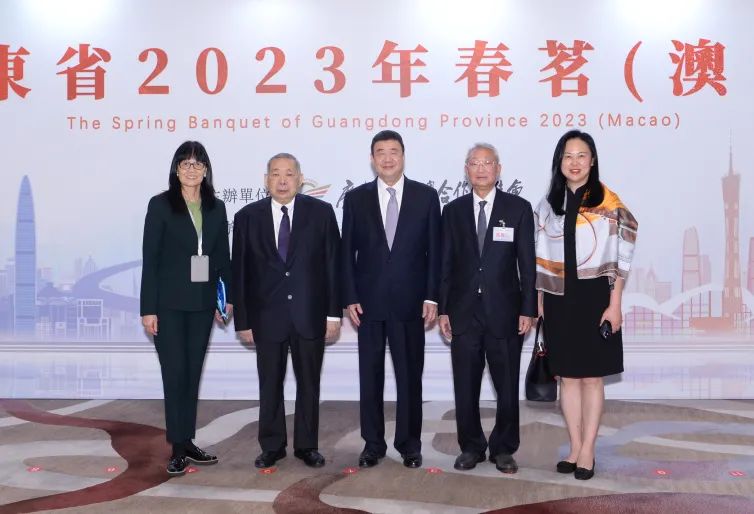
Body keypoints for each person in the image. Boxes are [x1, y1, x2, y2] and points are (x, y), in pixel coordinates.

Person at [534, 130, 638, 480]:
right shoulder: (548, 204)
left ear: (592, 161)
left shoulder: (608, 202)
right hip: (558, 298)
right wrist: (540, 301)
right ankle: (575, 447)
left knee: (592, 378)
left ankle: (589, 450)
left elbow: (622, 255)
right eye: (568, 156)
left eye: (581, 155)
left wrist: (615, 303)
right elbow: (538, 257)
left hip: (596, 298)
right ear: (559, 162)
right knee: (567, 377)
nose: (574, 162)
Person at [232, 153, 341, 469]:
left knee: (309, 385)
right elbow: (240, 272)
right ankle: (272, 446)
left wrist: (333, 315)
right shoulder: (247, 217)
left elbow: (333, 266)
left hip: (310, 314)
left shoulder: (321, 213)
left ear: (300, 179)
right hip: (266, 317)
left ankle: (307, 446)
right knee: (269, 384)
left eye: (289, 174)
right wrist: (243, 321)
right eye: (276, 173)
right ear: (266, 179)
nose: (282, 180)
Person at [341, 130, 441, 469]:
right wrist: (349, 296)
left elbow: (435, 252)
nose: (387, 158)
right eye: (380, 152)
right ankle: (373, 444)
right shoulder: (356, 199)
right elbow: (346, 252)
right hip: (367, 304)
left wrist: (432, 296)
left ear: (403, 156)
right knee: (370, 377)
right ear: (372, 159)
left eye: (393, 151)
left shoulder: (426, 197)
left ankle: (410, 445)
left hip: (411, 303)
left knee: (409, 377)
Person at [439, 142, 536, 474]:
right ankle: (471, 446)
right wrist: (443, 309)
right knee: (465, 385)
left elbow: (527, 264)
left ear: (498, 169)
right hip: (463, 312)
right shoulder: (453, 211)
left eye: (487, 163)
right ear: (466, 170)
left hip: (505, 312)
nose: (481, 169)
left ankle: (504, 448)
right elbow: (446, 264)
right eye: (474, 163)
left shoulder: (518, 208)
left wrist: (528, 308)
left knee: (506, 385)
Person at [140, 141, 233, 475]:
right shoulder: (161, 205)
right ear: (176, 170)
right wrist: (148, 308)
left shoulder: (216, 207)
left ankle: (188, 440)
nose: (191, 169)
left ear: (206, 170)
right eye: (185, 163)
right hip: (168, 305)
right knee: (175, 373)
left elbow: (222, 256)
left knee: (192, 374)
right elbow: (150, 259)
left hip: (202, 303)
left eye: (197, 164)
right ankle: (177, 448)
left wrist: (227, 297)